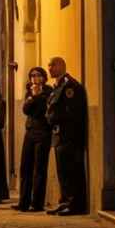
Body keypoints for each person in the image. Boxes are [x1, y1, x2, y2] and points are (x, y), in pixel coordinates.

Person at [45, 57, 88, 216]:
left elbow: (71, 112)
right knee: (62, 171)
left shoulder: (70, 86)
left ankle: (75, 203)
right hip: (59, 136)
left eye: (53, 65)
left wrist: (54, 118)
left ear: (62, 66)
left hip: (69, 136)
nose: (49, 68)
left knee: (72, 171)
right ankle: (65, 201)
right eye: (49, 65)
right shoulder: (58, 86)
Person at [13, 67, 53, 212]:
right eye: (32, 75)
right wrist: (33, 97)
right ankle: (23, 202)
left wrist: (36, 97)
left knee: (39, 169)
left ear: (44, 77)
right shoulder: (29, 91)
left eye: (38, 75)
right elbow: (26, 110)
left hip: (43, 133)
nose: (35, 78)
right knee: (25, 167)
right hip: (30, 132)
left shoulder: (49, 91)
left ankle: (37, 203)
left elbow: (43, 110)